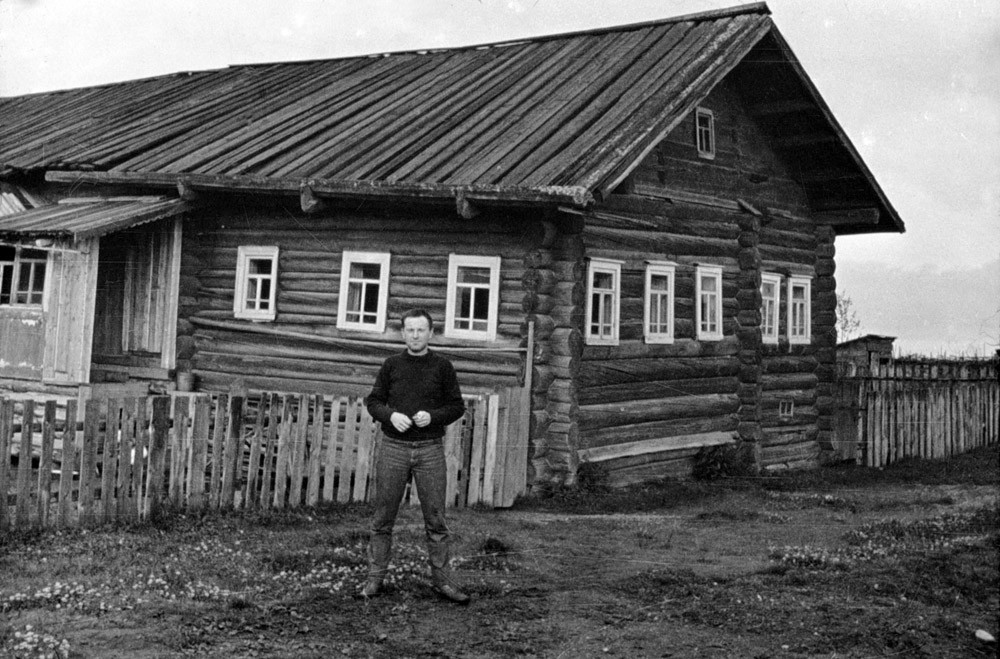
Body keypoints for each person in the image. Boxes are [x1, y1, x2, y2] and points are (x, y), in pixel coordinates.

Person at [362, 308, 470, 604]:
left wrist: (432, 417)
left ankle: (443, 583)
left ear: (430, 333)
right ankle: (375, 580)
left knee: (436, 519)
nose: (415, 335)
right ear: (402, 333)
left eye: (420, 330)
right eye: (409, 330)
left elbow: (457, 407)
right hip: (394, 448)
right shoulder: (391, 365)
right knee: (383, 518)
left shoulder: (442, 367)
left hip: (430, 450)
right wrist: (391, 415)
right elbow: (373, 401)